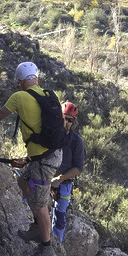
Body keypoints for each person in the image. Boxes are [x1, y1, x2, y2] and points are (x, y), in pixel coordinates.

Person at [0, 61, 64, 249]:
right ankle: (38, 227)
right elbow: (45, 130)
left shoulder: (19, 97)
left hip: (44, 161)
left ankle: (45, 247)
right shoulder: (49, 95)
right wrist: (29, 159)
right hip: (48, 155)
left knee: (41, 203)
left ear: (19, 81)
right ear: (36, 78)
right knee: (23, 180)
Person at [50, 101, 86, 243]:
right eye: (63, 118)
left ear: (74, 122)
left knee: (59, 218)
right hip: (45, 178)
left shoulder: (76, 141)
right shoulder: (50, 134)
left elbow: (78, 167)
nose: (65, 123)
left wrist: (59, 179)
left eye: (69, 120)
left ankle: (55, 246)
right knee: (38, 213)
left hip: (64, 184)